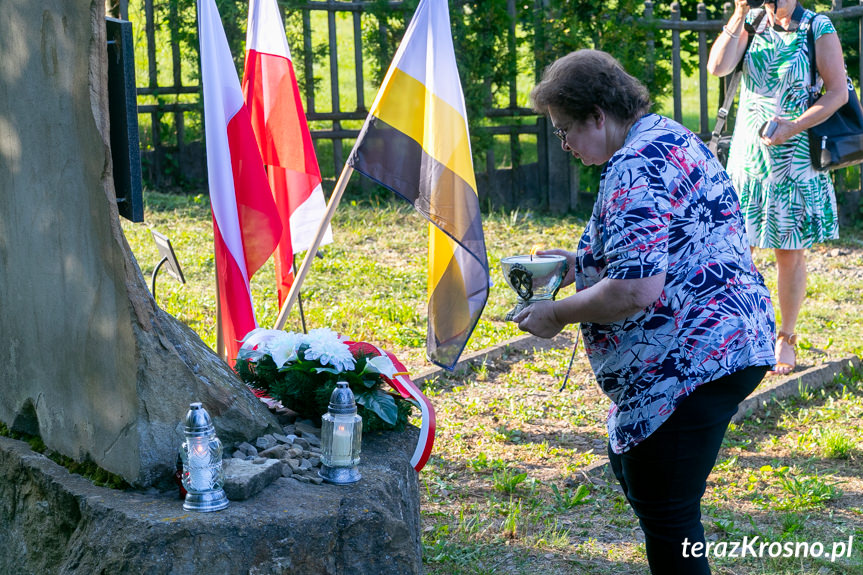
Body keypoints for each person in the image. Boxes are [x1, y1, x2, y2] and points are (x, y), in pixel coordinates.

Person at [518, 49, 776, 575]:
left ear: (598, 115)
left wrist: (558, 313)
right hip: (725, 341)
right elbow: (664, 245)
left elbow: (636, 290)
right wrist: (579, 263)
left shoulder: (635, 163)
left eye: (566, 130)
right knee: (644, 479)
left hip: (694, 356)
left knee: (669, 517)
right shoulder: (666, 135)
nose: (564, 144)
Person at [707, 0, 847, 375]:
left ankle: (785, 337)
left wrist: (792, 126)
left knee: (788, 252)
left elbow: (838, 93)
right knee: (737, 251)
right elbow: (717, 66)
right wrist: (739, 14)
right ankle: (738, 333)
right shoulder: (752, 23)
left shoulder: (817, 28)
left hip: (795, 159)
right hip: (747, 160)